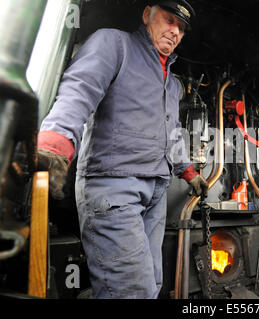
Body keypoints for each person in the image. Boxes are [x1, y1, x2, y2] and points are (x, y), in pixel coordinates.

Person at [36, 0, 208, 299]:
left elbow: (173, 133)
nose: (174, 31)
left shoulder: (173, 84)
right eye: (169, 20)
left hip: (156, 193)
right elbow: (80, 88)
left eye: (181, 28)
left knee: (152, 284)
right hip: (113, 187)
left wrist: (189, 173)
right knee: (130, 291)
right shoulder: (115, 44)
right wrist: (56, 143)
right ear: (147, 15)